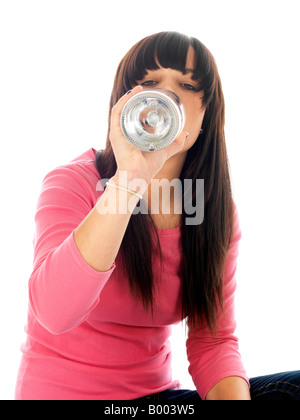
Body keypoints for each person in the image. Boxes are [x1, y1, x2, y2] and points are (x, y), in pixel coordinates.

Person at [15, 31, 300, 400]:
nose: (166, 95)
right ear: (124, 104)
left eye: (186, 84)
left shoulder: (214, 211)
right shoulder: (72, 183)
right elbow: (55, 312)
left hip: (157, 403)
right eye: (150, 82)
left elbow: (213, 342)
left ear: (205, 111)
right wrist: (129, 179)